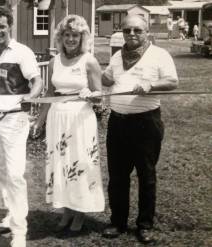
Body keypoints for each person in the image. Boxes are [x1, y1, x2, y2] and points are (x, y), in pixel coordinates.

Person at [101, 15, 178, 244]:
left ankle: (144, 225)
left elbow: (172, 82)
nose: (132, 34)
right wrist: (95, 73)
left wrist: (150, 85)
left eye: (137, 30)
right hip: (117, 123)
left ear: (147, 32)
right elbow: (107, 80)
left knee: (146, 176)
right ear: (121, 33)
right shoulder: (116, 56)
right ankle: (117, 223)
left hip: (146, 124)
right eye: (127, 31)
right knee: (117, 176)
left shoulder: (159, 55)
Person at [35, 15, 105, 238]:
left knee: (80, 164)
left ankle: (80, 213)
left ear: (82, 37)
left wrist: (91, 95)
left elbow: (100, 96)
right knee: (61, 165)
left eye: (76, 35)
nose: (71, 39)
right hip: (58, 118)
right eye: (67, 35)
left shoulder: (89, 61)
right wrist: (39, 120)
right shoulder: (55, 61)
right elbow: (49, 93)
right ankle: (66, 210)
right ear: (61, 36)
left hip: (80, 119)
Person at [0, 6, 43, 247]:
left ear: (10, 26)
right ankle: (11, 215)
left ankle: (20, 232)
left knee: (15, 174)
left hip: (15, 119)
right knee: (0, 172)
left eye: (2, 26)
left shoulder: (22, 52)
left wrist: (31, 96)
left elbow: (37, 81)